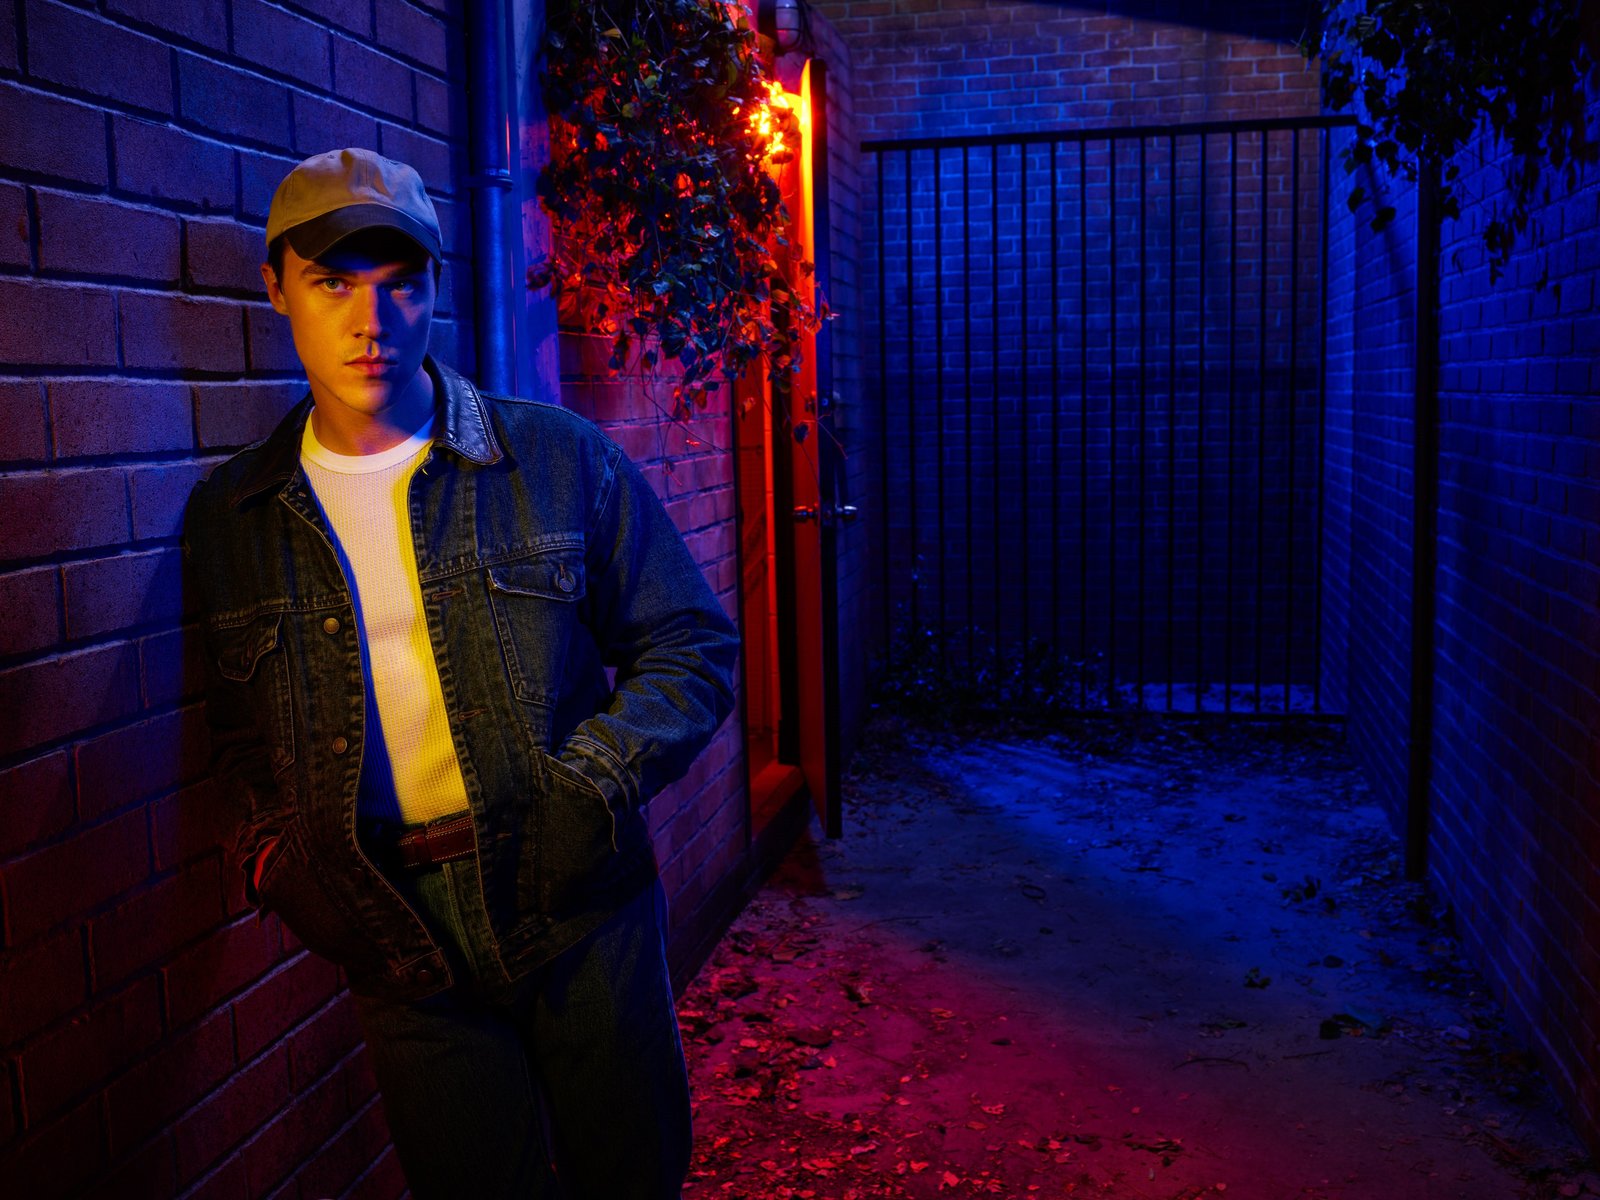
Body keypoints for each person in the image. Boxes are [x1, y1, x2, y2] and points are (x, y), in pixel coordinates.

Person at [183, 147, 740, 1199]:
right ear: (276, 287)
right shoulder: (235, 519)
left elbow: (691, 645)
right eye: (333, 283)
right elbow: (239, 739)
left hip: (578, 903)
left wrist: (590, 785)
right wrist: (278, 863)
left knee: (632, 1178)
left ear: (436, 285)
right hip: (396, 935)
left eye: (401, 285)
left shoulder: (556, 459)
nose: (371, 322)